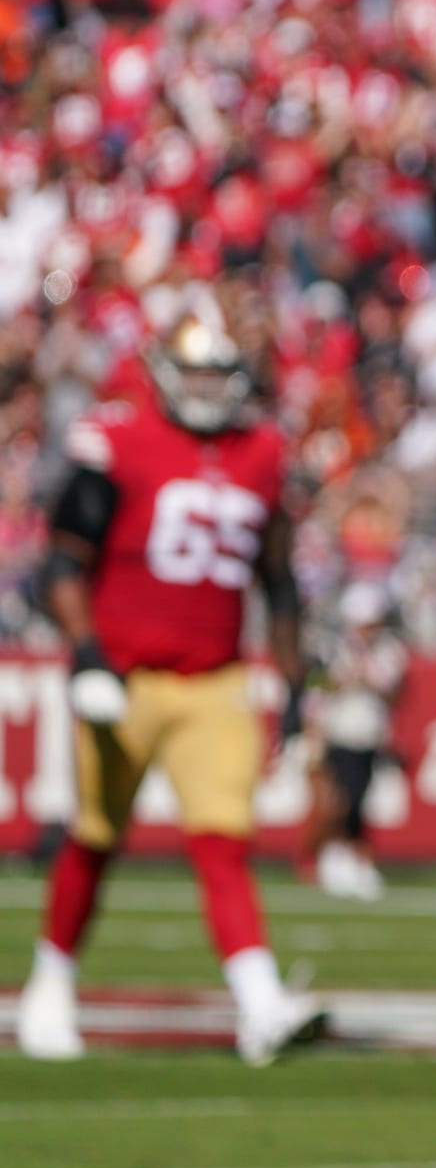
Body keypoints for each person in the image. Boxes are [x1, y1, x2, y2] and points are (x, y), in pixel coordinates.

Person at [15, 301, 326, 1065]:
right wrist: (86, 653)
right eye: (194, 370)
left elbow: (279, 581)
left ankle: (260, 1005)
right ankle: (49, 982)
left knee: (222, 841)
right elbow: (61, 565)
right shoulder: (120, 440)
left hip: (215, 678)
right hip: (122, 673)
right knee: (94, 835)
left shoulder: (260, 452)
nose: (207, 386)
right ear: (160, 372)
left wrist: (289, 681)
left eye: (219, 372)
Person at [308, 581, 408, 902]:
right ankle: (335, 858)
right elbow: (319, 689)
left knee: (360, 800)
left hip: (369, 735)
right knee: (342, 799)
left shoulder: (389, 651)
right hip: (339, 733)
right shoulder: (333, 647)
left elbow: (393, 691)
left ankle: (351, 860)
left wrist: (367, 675)